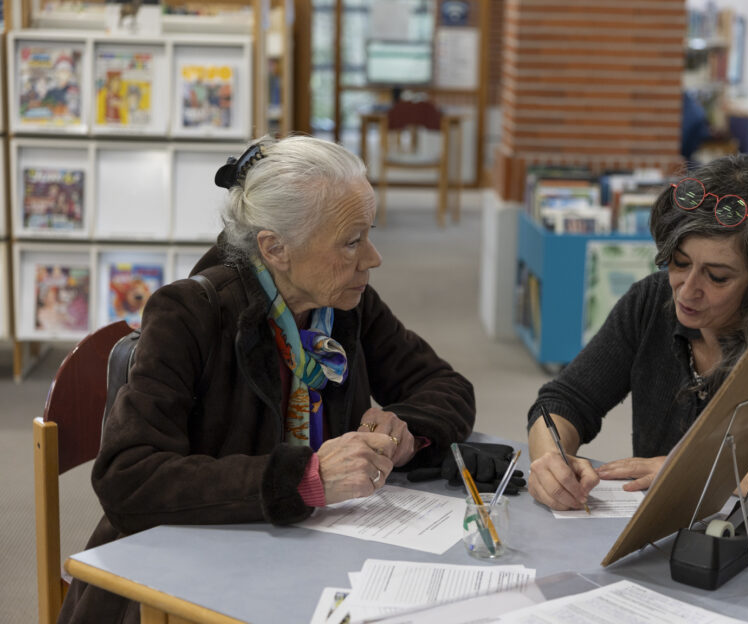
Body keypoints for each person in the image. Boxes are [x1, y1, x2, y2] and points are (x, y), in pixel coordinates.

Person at [59, 135, 476, 623]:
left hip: (306, 559)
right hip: (179, 585)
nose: (373, 258)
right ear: (275, 248)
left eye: (369, 232)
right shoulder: (191, 314)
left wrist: (404, 429)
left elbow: (448, 389)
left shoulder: (344, 302)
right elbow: (129, 479)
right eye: (351, 241)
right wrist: (304, 479)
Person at [526, 154, 748, 623]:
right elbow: (562, 401)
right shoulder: (651, 302)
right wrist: (548, 458)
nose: (687, 290)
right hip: (669, 557)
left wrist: (700, 472)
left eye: (718, 277)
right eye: (679, 263)